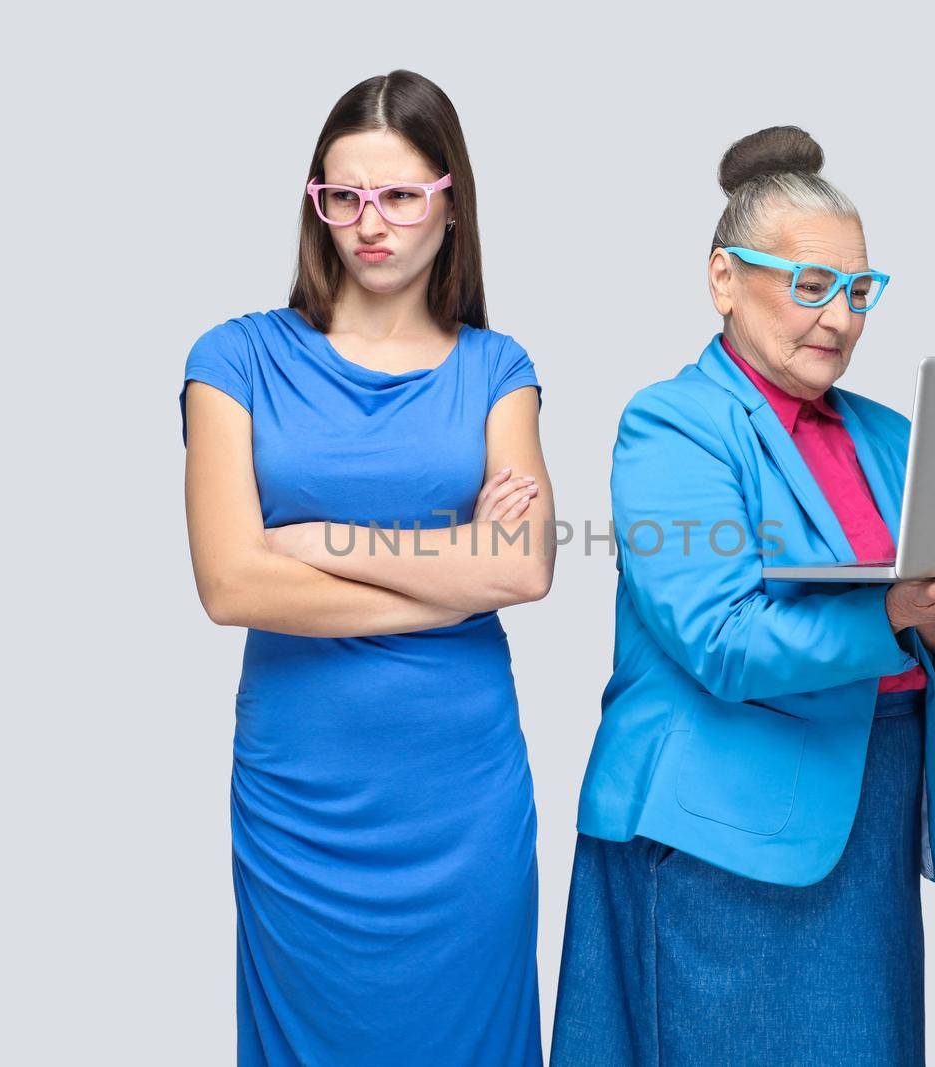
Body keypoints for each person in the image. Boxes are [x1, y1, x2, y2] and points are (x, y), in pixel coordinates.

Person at [549, 126, 935, 1066]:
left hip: (868, 820)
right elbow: (724, 640)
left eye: (859, 291)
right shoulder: (674, 426)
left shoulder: (892, 434)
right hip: (722, 839)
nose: (842, 318)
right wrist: (895, 615)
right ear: (724, 279)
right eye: (811, 286)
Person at [179, 70, 554, 1066]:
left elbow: (522, 570)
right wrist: (448, 568)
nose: (367, 223)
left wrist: (317, 542)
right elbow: (231, 585)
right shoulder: (233, 357)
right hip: (303, 791)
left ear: (449, 202)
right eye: (341, 197)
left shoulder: (496, 367)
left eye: (396, 196)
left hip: (460, 792)